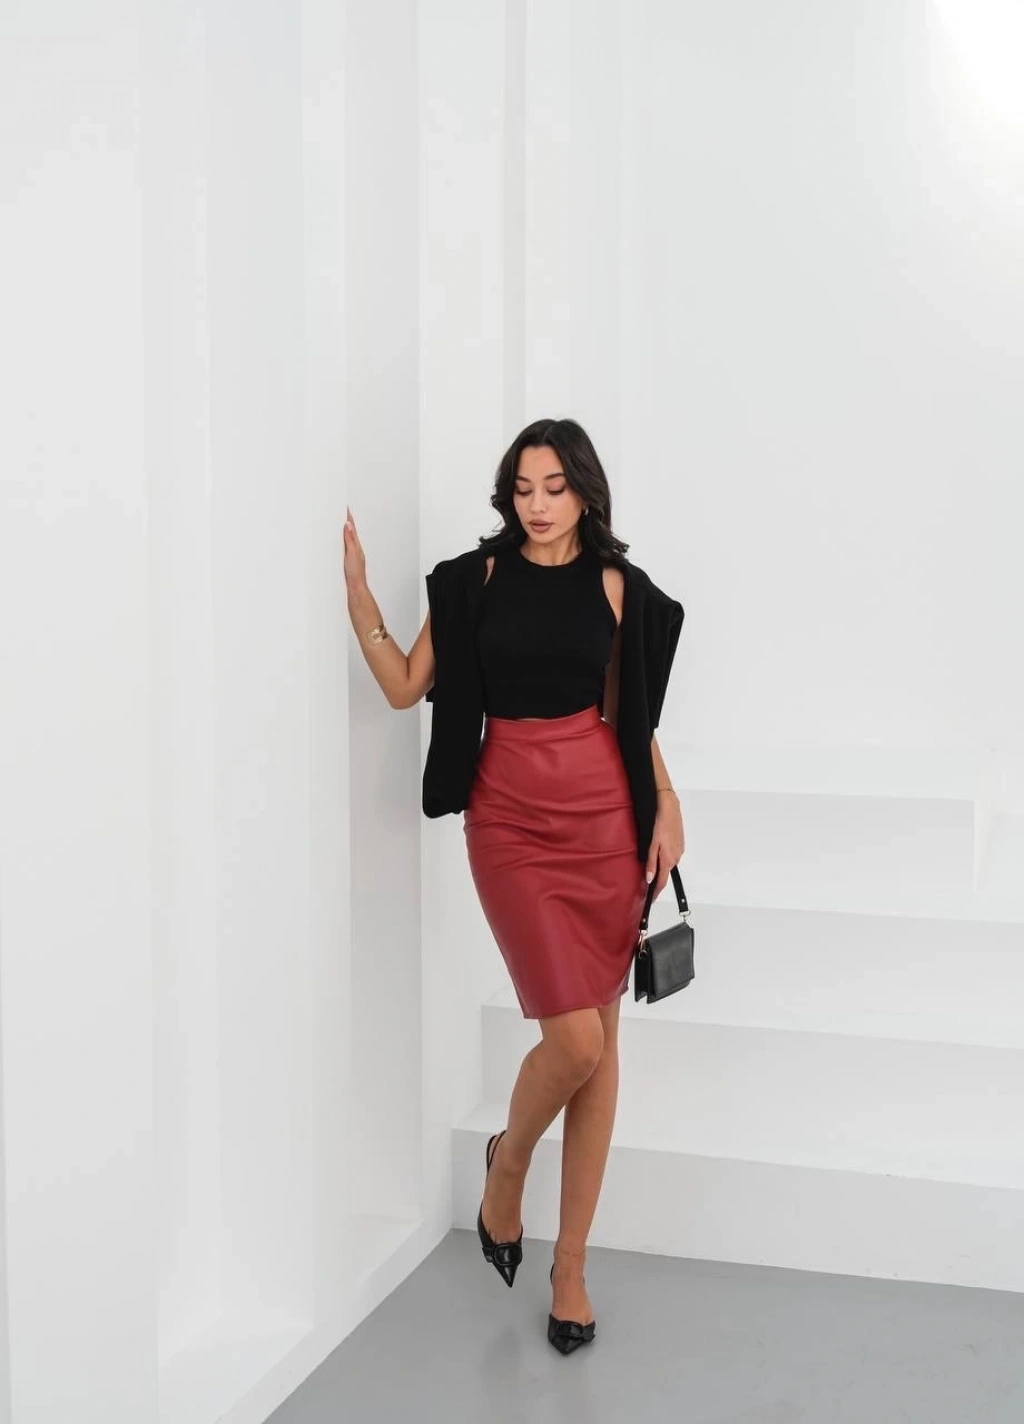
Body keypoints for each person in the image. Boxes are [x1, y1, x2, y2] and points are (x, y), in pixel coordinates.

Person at [343, 417, 685, 1355]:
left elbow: (631, 717)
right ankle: (509, 1166)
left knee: (599, 1045)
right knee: (573, 1040)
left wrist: (665, 802)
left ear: (585, 492)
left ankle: (570, 1267)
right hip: (510, 825)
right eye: (522, 489)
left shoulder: (616, 588)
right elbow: (406, 686)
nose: (536, 505)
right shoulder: (477, 581)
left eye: (554, 488)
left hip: (604, 823)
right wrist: (361, 600)